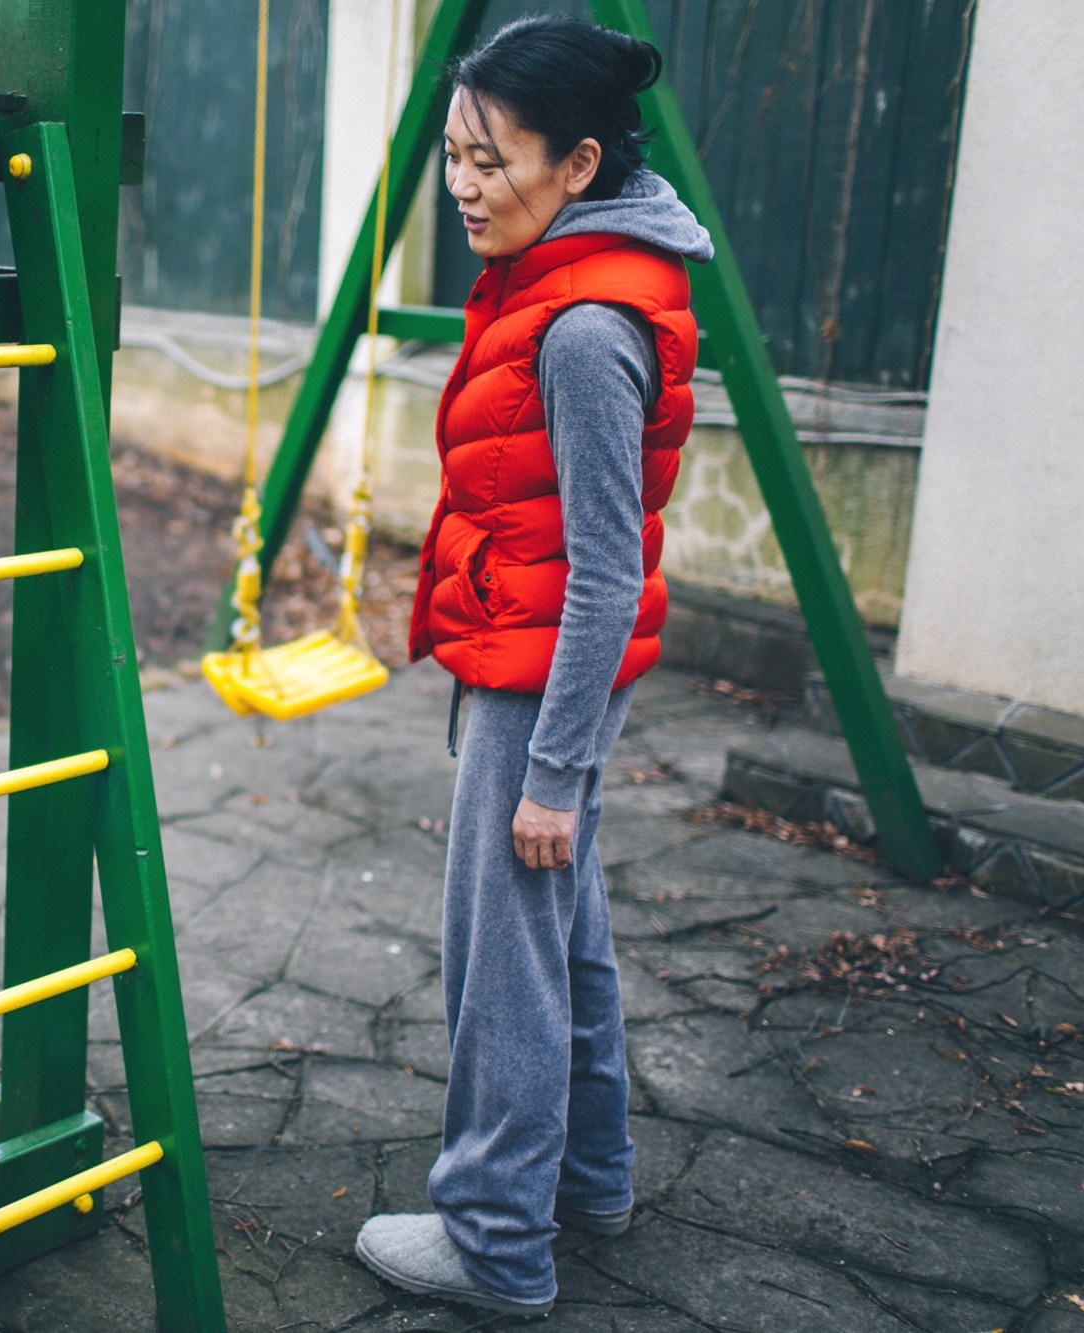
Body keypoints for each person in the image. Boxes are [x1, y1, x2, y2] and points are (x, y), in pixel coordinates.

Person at [354, 14, 713, 1319]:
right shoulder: (561, 281)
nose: (463, 184)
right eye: (454, 155)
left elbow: (608, 569)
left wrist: (553, 770)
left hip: (540, 674)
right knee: (569, 934)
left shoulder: (583, 328)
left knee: (502, 955)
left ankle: (497, 1238)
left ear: (579, 164)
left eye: (490, 160)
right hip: (536, 654)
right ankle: (593, 1174)